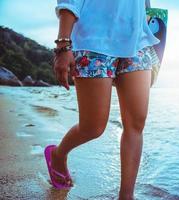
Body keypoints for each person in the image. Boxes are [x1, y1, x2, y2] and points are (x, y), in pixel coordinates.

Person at [44, 0, 159, 199]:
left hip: (138, 42)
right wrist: (63, 44)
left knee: (136, 124)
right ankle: (58, 154)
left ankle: (126, 196)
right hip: (93, 40)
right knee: (93, 127)